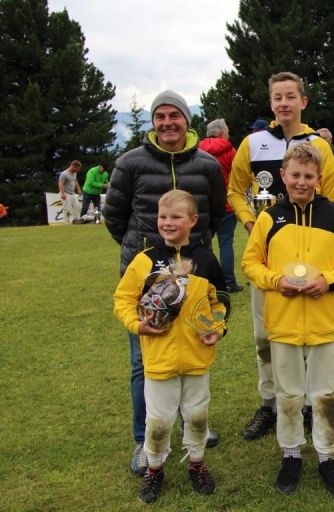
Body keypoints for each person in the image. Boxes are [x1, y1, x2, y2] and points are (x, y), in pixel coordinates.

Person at [103, 89, 226, 477]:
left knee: (193, 350)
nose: (168, 122)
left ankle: (194, 428)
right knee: (145, 359)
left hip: (195, 273)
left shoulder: (207, 164)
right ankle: (145, 440)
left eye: (175, 115)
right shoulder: (130, 162)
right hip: (146, 275)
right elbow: (115, 216)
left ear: (187, 121)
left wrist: (195, 250)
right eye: (161, 116)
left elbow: (215, 213)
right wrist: (145, 250)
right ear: (153, 122)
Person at [241, 144, 334, 496]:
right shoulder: (268, 218)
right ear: (283, 175)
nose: (301, 182)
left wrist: (327, 280)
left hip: (325, 322)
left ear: (319, 178)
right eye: (295, 175)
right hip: (282, 323)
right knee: (290, 393)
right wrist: (276, 281)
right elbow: (251, 264)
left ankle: (327, 456)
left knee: (326, 393)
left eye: (308, 176)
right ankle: (291, 453)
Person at [228, 71, 334, 442]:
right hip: (269, 260)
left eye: (291, 96)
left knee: (311, 337)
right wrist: (250, 222)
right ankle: (270, 403)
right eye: (277, 97)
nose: (283, 103)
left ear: (303, 101)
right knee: (267, 337)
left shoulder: (319, 146)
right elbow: (235, 191)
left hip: (311, 259)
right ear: (271, 102)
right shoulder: (253, 143)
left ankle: (307, 406)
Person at [113, 190, 228, 503]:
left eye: (176, 216)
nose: (167, 222)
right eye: (163, 217)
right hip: (159, 359)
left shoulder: (205, 260)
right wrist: (136, 325)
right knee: (159, 420)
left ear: (193, 220)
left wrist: (216, 329)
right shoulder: (145, 261)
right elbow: (123, 299)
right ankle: (154, 469)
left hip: (196, 357)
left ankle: (197, 464)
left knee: (197, 415)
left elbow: (222, 300)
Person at [199, 119, 243, 293]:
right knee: (226, 244)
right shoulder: (231, 151)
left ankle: (204, 280)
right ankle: (228, 282)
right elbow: (240, 175)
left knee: (202, 244)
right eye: (227, 131)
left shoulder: (197, 150)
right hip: (226, 204)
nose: (229, 134)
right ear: (222, 132)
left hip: (203, 205)